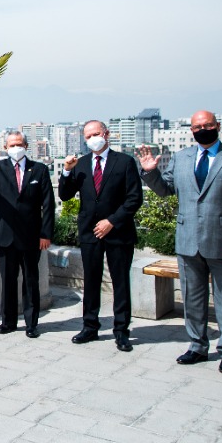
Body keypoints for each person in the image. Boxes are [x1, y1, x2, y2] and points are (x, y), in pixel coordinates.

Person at [138, 111, 222, 374]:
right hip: (188, 239)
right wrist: (150, 173)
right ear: (191, 130)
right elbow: (166, 190)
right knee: (192, 296)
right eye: (197, 126)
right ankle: (197, 345)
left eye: (208, 125)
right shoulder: (182, 158)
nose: (203, 129)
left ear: (218, 126)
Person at [58, 120, 143, 352]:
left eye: (96, 134)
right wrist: (66, 170)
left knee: (120, 282)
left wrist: (112, 221)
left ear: (106, 134)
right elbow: (65, 195)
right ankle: (90, 326)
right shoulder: (81, 164)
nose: (92, 138)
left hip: (118, 232)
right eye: (88, 136)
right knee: (92, 281)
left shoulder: (124, 162)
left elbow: (134, 198)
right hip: (89, 233)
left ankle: (121, 330)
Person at [0, 130, 54, 338]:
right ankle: (8, 322)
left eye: (18, 144)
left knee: (30, 279)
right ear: (6, 147)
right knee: (8, 279)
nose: (15, 148)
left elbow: (48, 204)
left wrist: (45, 233)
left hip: (31, 235)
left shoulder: (39, 170)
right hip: (5, 234)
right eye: (11, 145)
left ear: (26, 146)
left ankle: (31, 323)